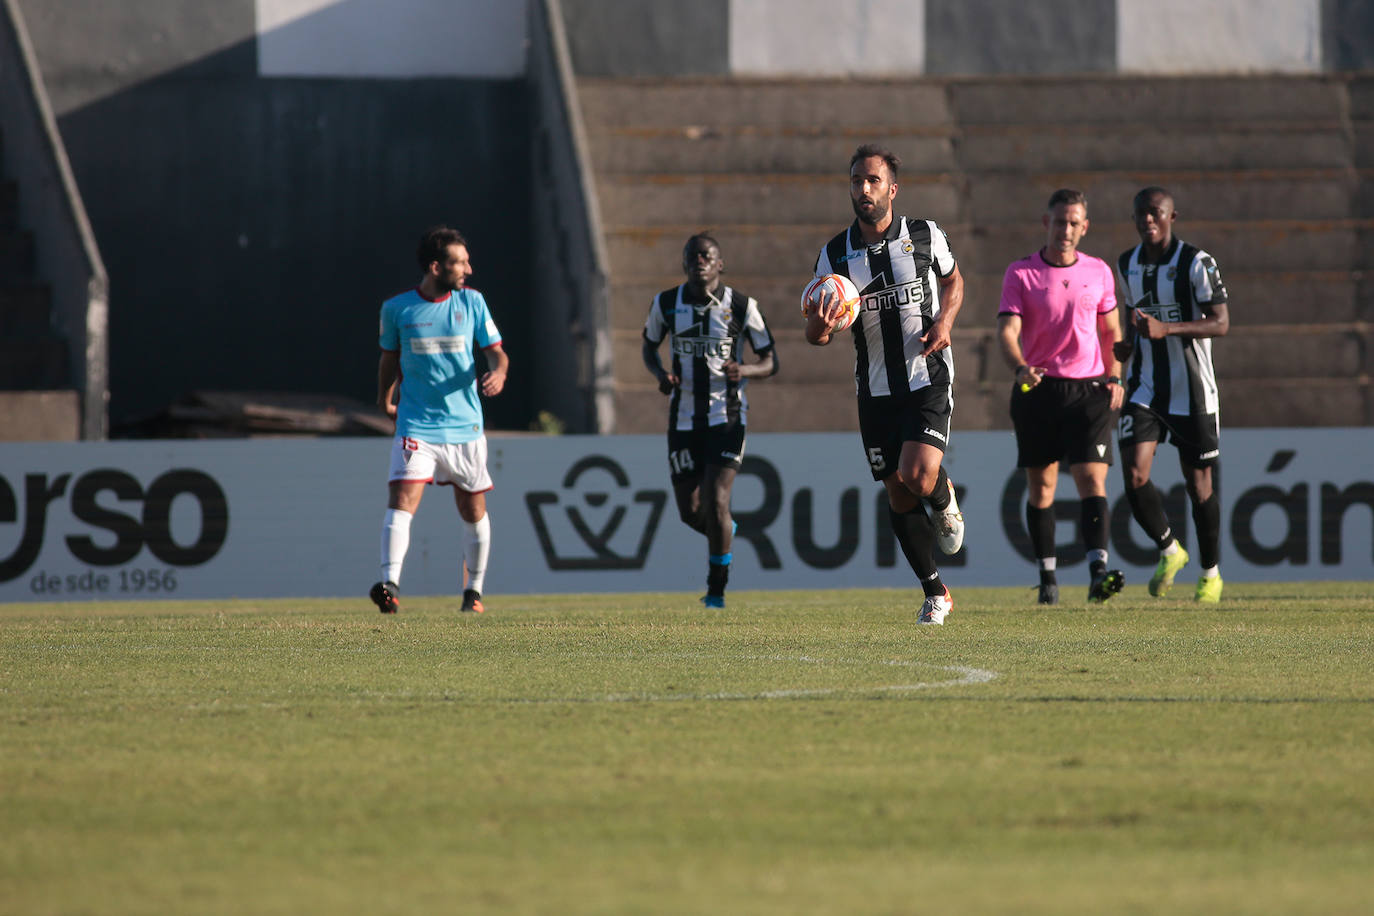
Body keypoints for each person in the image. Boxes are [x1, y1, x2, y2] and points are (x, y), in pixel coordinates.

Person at [805, 144, 966, 625]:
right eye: (856, 181)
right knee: (896, 491)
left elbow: (955, 282)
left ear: (892, 189)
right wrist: (819, 322)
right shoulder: (834, 255)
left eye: (873, 180)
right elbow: (816, 336)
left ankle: (942, 499)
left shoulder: (924, 235)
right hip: (874, 388)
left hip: (926, 375)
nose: (864, 189)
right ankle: (935, 592)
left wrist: (945, 321)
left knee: (918, 476)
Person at [370, 226, 509, 615]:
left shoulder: (473, 303)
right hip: (416, 424)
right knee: (402, 498)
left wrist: (498, 373)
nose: (469, 268)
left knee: (472, 510)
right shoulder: (397, 309)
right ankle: (390, 586)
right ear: (436, 266)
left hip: (465, 427)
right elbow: (389, 359)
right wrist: (385, 400)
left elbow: (498, 354)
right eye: (460, 262)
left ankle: (474, 593)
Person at [998, 189, 1126, 605]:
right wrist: (1019, 366)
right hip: (1038, 388)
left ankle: (1098, 573)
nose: (1065, 230)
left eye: (1074, 223)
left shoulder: (1100, 272)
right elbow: (1007, 332)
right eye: (1059, 222)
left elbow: (1112, 333)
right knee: (1043, 486)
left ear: (1084, 227)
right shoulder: (1021, 274)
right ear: (1046, 223)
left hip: (1089, 389)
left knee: (1092, 479)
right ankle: (1048, 578)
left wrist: (1116, 376)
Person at [642, 233, 777, 609]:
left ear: (721, 264)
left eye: (707, 255)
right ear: (684, 263)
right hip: (683, 419)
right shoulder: (666, 303)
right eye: (692, 256)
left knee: (718, 501)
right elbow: (649, 347)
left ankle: (716, 592)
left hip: (726, 416)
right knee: (691, 513)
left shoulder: (742, 305)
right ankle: (724, 533)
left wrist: (745, 368)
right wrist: (660, 375)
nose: (699, 261)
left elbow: (770, 359)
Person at [1113, 187, 1230, 603]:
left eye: (1155, 213)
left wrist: (1169, 330)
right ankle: (1169, 549)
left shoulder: (1196, 263)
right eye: (1140, 213)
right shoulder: (1127, 263)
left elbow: (1220, 323)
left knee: (1200, 488)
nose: (1147, 220)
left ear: (1171, 216)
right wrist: (1127, 346)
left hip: (1193, 392)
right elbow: (1134, 314)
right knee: (1134, 473)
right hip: (1145, 386)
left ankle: (1211, 573)